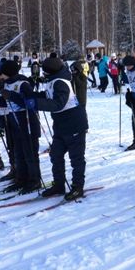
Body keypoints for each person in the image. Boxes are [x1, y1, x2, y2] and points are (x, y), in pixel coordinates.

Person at [35, 57, 88, 201]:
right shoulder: (54, 81)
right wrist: (29, 95)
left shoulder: (61, 82)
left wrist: (36, 103)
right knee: (56, 155)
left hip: (74, 124)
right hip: (60, 126)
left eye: (44, 71)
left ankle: (78, 187)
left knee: (76, 158)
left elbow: (58, 104)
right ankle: (59, 185)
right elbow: (47, 96)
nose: (43, 74)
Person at [0, 59, 42, 193]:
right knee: (18, 153)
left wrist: (11, 95)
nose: (0, 75)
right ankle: (21, 179)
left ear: (8, 73)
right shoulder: (6, 83)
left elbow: (29, 103)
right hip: (14, 122)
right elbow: (5, 102)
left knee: (30, 153)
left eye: (2, 73)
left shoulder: (23, 84)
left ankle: (34, 180)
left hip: (27, 121)